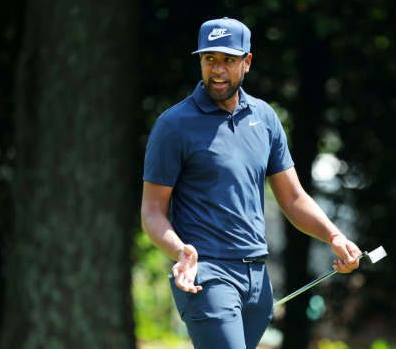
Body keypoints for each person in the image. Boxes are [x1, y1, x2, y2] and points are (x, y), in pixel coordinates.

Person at [141, 17, 362, 349]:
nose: (217, 69)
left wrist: (334, 235)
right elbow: (152, 212)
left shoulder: (265, 118)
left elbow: (293, 198)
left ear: (247, 62)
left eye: (228, 60)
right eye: (209, 59)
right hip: (207, 276)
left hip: (258, 280)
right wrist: (180, 251)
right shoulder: (173, 125)